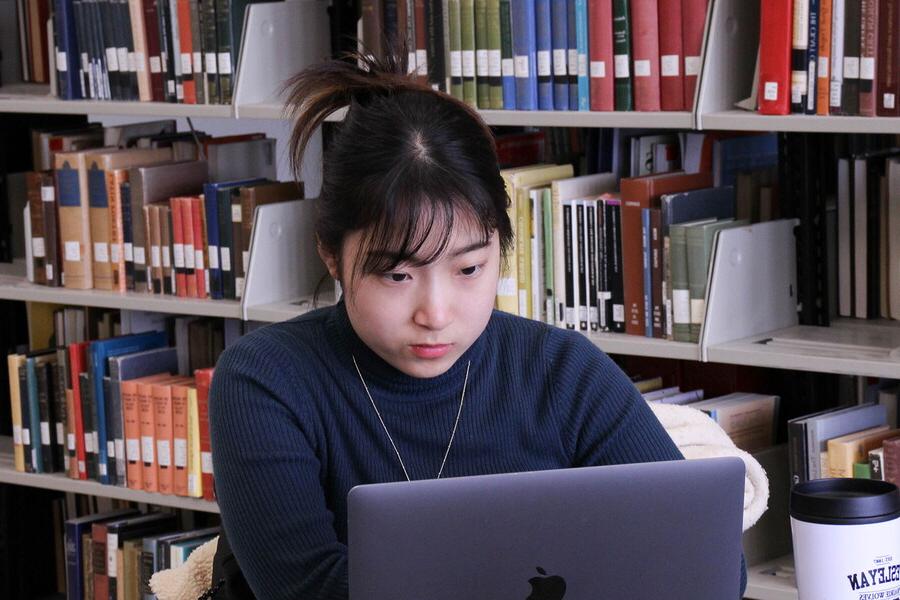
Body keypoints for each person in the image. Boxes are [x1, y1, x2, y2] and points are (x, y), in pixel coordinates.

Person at [207, 51, 746, 600]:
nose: (436, 313)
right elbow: (307, 591)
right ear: (330, 255)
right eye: (397, 274)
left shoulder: (563, 371)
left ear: (501, 250)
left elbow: (706, 565)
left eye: (469, 269)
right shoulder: (267, 380)